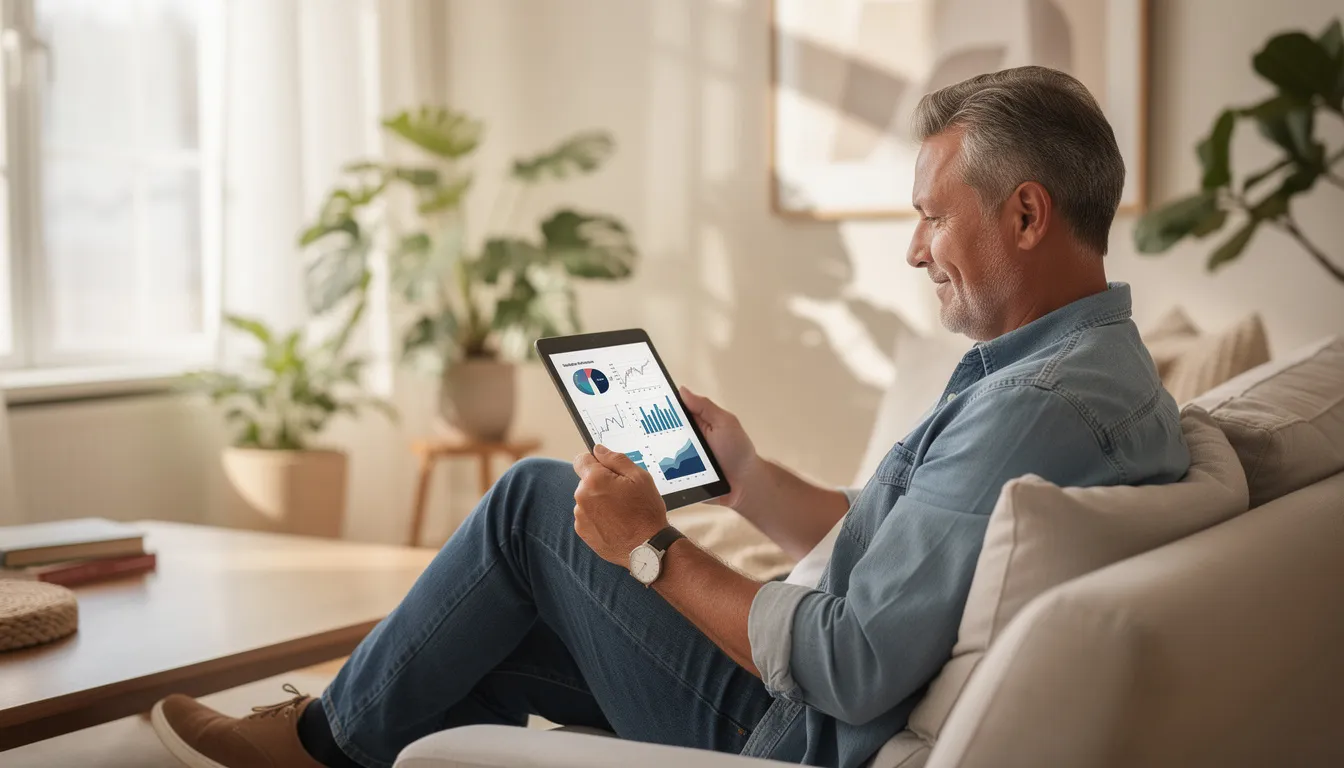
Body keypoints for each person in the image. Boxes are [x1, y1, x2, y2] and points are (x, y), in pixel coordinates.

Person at [150, 66, 1190, 768]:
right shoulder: (1086, 370)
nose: (915, 249)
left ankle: (312, 746)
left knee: (531, 505)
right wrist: (743, 473)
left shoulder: (1030, 407)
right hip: (807, 688)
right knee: (474, 640)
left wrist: (654, 550)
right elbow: (896, 543)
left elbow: (854, 663)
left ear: (1024, 212)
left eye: (928, 213)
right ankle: (331, 733)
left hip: (789, 727)